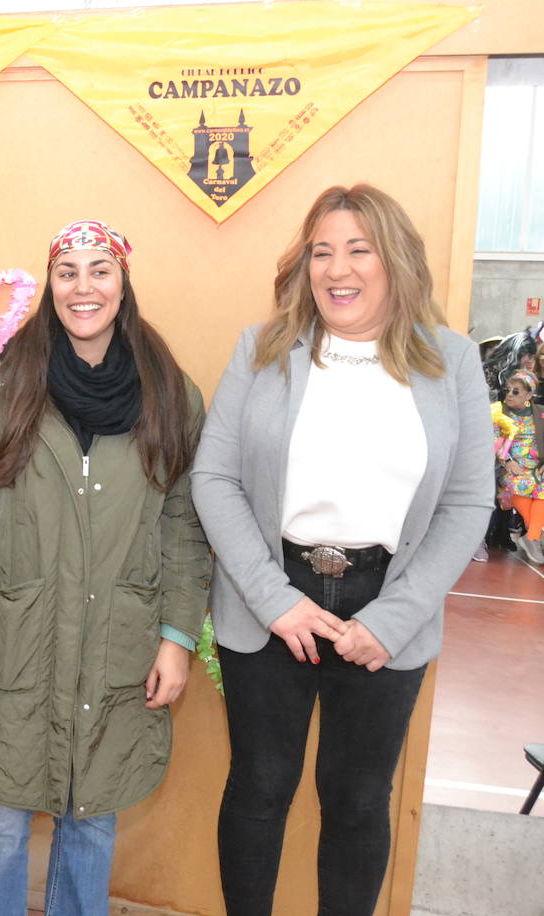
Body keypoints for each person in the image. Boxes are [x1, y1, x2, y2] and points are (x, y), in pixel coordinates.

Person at [191, 184, 493, 916]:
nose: (338, 268)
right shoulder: (262, 351)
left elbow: (466, 504)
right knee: (260, 784)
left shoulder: (450, 362)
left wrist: (392, 621)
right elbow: (214, 477)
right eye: (322, 251)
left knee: (358, 798)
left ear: (395, 262)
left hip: (390, 601)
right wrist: (273, 600)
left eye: (359, 249)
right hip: (273, 595)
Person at [0, 218, 210, 916]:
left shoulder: (171, 396)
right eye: (67, 271)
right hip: (14, 645)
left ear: (123, 281)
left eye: (99, 269)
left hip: (118, 646)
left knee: (92, 818)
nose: (82, 286)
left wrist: (178, 637)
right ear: (49, 283)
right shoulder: (1, 388)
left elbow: (184, 528)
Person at [496, 370, 543, 563]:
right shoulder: (499, 413)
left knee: (542, 489)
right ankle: (536, 536)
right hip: (511, 467)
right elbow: (494, 442)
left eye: (516, 391)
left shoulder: (540, 413)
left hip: (537, 468)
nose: (509, 394)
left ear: (529, 395)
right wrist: (507, 461)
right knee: (520, 485)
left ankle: (532, 537)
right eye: (508, 390)